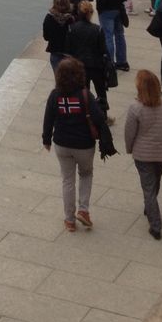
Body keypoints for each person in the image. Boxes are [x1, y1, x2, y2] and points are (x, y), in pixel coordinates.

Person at [42, 56, 106, 233]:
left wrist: (46, 139)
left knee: (67, 180)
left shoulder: (55, 95)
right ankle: (83, 210)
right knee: (86, 174)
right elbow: (99, 118)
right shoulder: (85, 95)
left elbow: (48, 119)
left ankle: (69, 220)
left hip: (62, 144)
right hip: (84, 144)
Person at [124, 69, 162, 240]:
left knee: (148, 187)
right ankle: (150, 206)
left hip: (143, 154)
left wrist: (129, 148)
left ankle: (155, 225)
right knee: (154, 181)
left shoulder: (135, 108)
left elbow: (129, 132)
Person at [66, 0, 110, 114]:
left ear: (79, 14)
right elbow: (103, 50)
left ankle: (86, 115)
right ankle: (103, 116)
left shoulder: (72, 29)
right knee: (101, 93)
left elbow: (69, 49)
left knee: (83, 94)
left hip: (79, 67)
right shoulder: (98, 29)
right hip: (96, 66)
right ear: (90, 13)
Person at [42, 0, 73, 73]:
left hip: (55, 50)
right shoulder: (71, 19)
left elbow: (46, 37)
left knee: (59, 79)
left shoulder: (49, 18)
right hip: (68, 52)